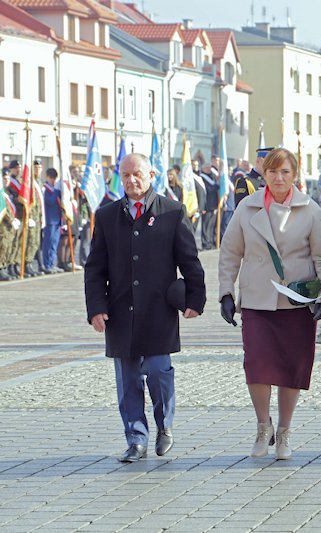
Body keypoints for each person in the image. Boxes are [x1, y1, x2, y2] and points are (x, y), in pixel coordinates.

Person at [84, 153, 206, 463]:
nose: (130, 181)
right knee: (127, 380)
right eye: (125, 176)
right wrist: (96, 307)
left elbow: (189, 260)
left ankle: (164, 426)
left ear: (150, 175)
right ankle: (136, 438)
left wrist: (195, 299)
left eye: (136, 174)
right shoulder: (107, 215)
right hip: (120, 311)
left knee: (157, 371)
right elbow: (95, 267)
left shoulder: (172, 212)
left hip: (158, 311)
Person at [218, 148, 321, 460]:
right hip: (258, 299)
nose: (279, 178)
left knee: (292, 368)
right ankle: (262, 425)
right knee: (257, 366)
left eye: (285, 172)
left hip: (297, 301)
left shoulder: (310, 209)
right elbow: (230, 253)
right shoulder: (246, 208)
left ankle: (284, 431)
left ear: (295, 175)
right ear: (264, 174)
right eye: (272, 172)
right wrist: (226, 293)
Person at [42, 168, 63, 274]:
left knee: (54, 244)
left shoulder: (56, 191)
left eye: (54, 178)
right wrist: (57, 194)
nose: (53, 180)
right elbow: (49, 201)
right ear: (47, 177)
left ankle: (52, 264)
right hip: (49, 221)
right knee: (48, 244)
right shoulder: (45, 190)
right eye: (51, 178)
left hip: (57, 220)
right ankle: (46, 265)